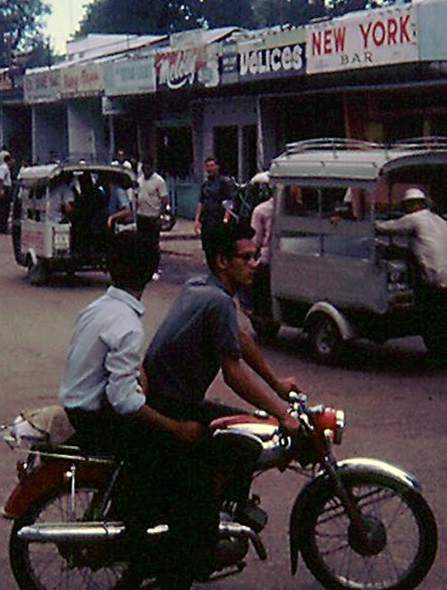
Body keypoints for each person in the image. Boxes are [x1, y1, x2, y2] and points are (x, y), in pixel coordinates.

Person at [143, 220, 299, 588]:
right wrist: (283, 413)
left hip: (171, 397)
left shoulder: (204, 288)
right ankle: (190, 553)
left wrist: (276, 383)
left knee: (245, 426)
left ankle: (229, 503)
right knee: (219, 464)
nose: (253, 263)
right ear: (221, 262)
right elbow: (233, 373)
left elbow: (240, 339)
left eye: (254, 255)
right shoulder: (214, 300)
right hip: (171, 408)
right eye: (245, 257)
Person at [59, 230, 203, 588]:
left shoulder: (99, 309)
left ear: (110, 267)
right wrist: (175, 428)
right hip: (100, 418)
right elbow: (125, 401)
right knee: (181, 465)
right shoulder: (126, 323)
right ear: (152, 270)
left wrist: (138, 371)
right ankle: (151, 559)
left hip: (79, 406)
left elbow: (111, 363)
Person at [374, 187, 447, 306]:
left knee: (424, 304)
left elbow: (385, 227)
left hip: (435, 277)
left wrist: (373, 222)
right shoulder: (439, 219)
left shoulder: (415, 218)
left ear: (413, 204)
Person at [193, 157, 235, 249]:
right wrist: (197, 220)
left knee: (219, 248)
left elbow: (229, 201)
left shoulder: (224, 182)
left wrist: (226, 218)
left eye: (212, 166)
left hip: (219, 220)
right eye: (207, 166)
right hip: (207, 220)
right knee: (208, 247)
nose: (209, 168)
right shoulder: (205, 184)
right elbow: (201, 202)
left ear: (217, 167)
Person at [248, 187, 275, 319]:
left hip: (268, 258)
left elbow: (255, 240)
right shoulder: (299, 208)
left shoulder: (261, 210)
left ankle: (259, 313)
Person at [135, 162, 168, 254]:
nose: (146, 171)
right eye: (144, 169)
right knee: (141, 242)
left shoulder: (159, 181)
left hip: (153, 216)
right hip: (141, 215)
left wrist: (160, 215)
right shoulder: (140, 180)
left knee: (153, 243)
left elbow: (164, 199)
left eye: (148, 168)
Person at [0, 150, 14, 234]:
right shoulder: (4, 167)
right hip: (5, 189)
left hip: (5, 189)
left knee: (4, 210)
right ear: (8, 160)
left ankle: (3, 228)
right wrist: (1, 190)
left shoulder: (3, 167)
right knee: (4, 210)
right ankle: (3, 228)